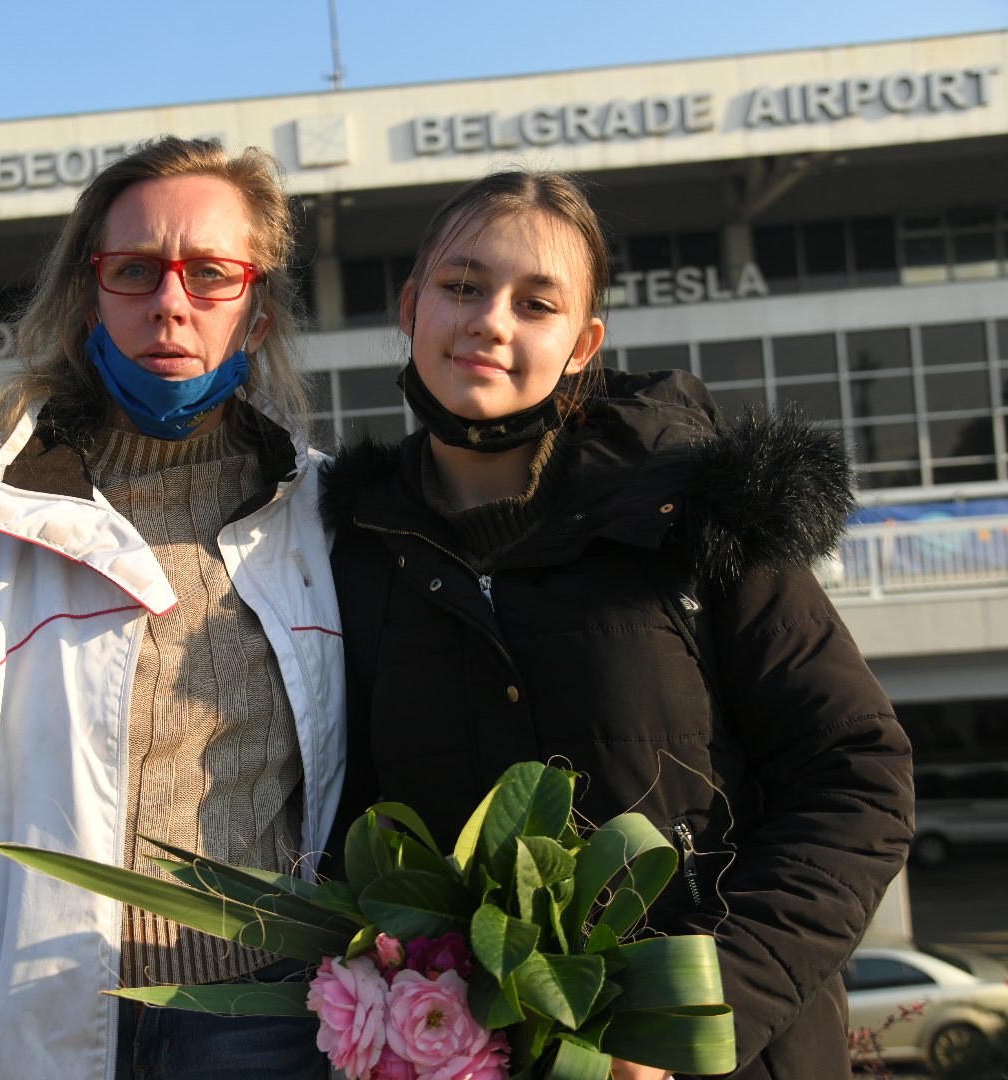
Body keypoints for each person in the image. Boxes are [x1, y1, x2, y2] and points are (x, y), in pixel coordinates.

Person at [321, 171, 915, 1080]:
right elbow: (345, 845)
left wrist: (697, 1014)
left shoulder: (698, 513)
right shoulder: (351, 554)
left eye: (538, 302)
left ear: (582, 346)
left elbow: (858, 778)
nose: (490, 321)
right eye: (462, 286)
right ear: (411, 306)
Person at [0, 137, 343, 1080]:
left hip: (268, 1024)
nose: (171, 302)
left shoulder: (322, 513)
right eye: (135, 270)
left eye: (211, 274)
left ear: (260, 310)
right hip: (40, 1026)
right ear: (89, 291)